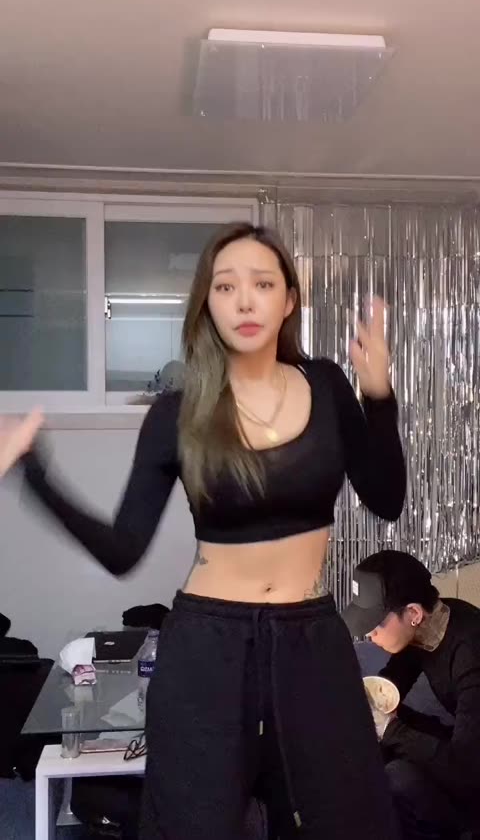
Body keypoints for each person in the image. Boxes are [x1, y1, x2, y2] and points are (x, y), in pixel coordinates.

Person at [0, 223, 406, 840]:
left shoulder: (326, 386)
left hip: (311, 637)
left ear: (288, 300)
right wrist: (34, 471)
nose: (244, 300)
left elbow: (387, 498)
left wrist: (377, 395)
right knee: (194, 821)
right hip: (207, 644)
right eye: (225, 286)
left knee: (350, 815)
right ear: (207, 304)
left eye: (262, 284)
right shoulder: (177, 413)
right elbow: (122, 549)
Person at [342, 549, 480, 840]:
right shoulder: (427, 626)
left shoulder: (471, 653)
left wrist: (389, 729)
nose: (369, 635)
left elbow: (467, 773)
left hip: (472, 777)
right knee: (375, 739)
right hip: (464, 747)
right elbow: (393, 682)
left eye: (376, 624)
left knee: (398, 777)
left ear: (414, 613)